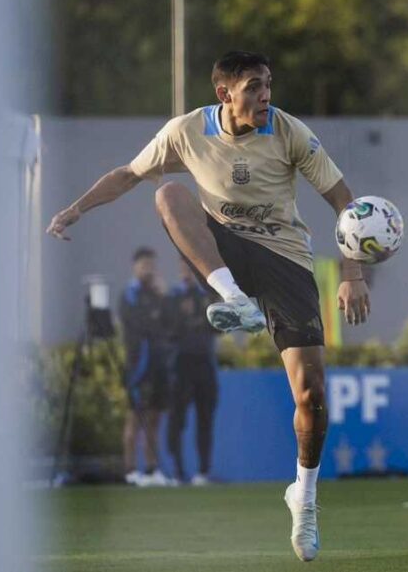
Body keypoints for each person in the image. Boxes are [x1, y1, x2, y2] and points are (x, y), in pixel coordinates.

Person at [47, 51, 371, 562]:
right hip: (224, 253)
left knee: (311, 395)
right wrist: (74, 210)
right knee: (169, 192)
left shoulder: (289, 132)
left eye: (268, 84)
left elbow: (343, 200)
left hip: (285, 258)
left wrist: (352, 274)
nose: (266, 96)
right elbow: (129, 175)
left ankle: (304, 497)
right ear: (226, 94)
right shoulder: (185, 131)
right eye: (255, 87)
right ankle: (235, 299)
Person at [118, 247, 171, 487]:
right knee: (134, 419)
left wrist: (163, 298)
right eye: (144, 264)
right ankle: (130, 471)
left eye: (151, 264)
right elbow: (140, 324)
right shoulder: (129, 295)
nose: (148, 269)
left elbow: (170, 324)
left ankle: (151, 471)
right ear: (135, 267)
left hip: (159, 367)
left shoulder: (158, 294)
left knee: (154, 419)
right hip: (138, 366)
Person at [166, 256, 219, 487]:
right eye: (184, 267)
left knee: (205, 419)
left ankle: (203, 472)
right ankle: (177, 472)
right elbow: (166, 330)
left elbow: (218, 329)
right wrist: (183, 318)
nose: (187, 271)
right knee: (178, 419)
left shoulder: (206, 296)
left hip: (205, 363)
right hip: (180, 364)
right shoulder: (172, 298)